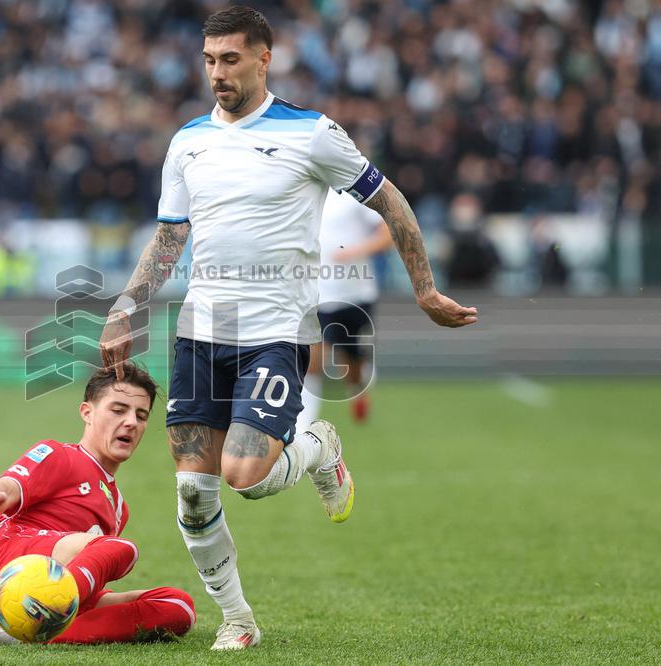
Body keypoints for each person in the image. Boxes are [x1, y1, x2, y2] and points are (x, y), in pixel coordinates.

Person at [99, 6, 477, 651]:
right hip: (199, 332)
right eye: (209, 61)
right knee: (193, 491)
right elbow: (169, 237)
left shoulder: (313, 134)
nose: (217, 73)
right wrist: (126, 304)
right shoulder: (188, 140)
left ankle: (318, 446)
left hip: (274, 332)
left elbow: (391, 203)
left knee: (245, 477)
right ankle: (239, 620)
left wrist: (423, 288)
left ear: (264, 58)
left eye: (231, 60)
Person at [0, 363, 196, 646]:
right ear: (87, 413)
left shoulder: (118, 507)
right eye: (118, 410)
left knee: (179, 606)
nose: (131, 422)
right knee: (120, 548)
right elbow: (8, 488)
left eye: (141, 415)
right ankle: (41, 614)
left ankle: (11, 633)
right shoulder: (59, 455)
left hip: (55, 587)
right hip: (9, 571)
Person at [296, 188, 394, 433]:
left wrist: (355, 251)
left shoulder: (354, 191)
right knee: (312, 359)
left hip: (355, 293)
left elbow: (388, 233)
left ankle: (358, 387)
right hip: (316, 291)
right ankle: (304, 421)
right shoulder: (302, 189)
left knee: (351, 365)